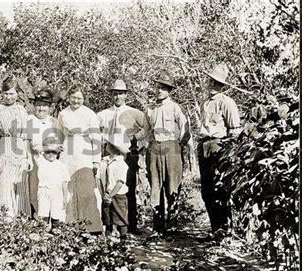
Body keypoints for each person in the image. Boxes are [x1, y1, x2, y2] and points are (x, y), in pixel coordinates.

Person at [135, 71, 189, 235]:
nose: (159, 91)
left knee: (172, 187)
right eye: (157, 87)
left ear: (169, 90)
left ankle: (172, 225)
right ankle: (158, 227)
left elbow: (186, 129)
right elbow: (144, 131)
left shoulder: (175, 107)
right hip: (154, 148)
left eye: (163, 88)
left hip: (171, 147)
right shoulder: (150, 109)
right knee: (155, 187)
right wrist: (130, 139)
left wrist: (179, 145)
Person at [198, 63, 241, 240]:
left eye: (217, 83)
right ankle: (215, 229)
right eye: (211, 81)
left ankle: (225, 230)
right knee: (206, 190)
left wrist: (229, 154)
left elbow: (234, 130)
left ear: (222, 86)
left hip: (219, 146)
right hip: (204, 146)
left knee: (220, 188)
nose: (213, 85)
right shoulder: (205, 103)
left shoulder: (227, 103)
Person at [98, 79, 145, 234]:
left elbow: (148, 127)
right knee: (109, 188)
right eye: (115, 94)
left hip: (128, 153)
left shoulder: (134, 113)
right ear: (111, 95)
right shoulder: (103, 114)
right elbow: (93, 130)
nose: (118, 97)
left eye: (121, 94)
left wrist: (135, 138)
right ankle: (110, 226)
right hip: (109, 155)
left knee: (128, 188)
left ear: (126, 95)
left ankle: (130, 225)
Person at [58, 84, 102, 233]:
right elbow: (59, 133)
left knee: (85, 188)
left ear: (84, 99)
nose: (76, 101)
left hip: (84, 151)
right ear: (68, 98)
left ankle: (90, 226)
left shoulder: (90, 114)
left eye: (79, 98)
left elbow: (96, 138)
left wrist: (96, 160)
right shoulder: (63, 113)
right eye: (73, 98)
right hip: (67, 152)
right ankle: (69, 224)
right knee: (68, 187)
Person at [0, 77, 32, 219]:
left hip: (20, 150)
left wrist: (29, 156)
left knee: (19, 186)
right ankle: (4, 222)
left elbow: (26, 136)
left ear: (17, 94)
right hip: (4, 148)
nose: (8, 97)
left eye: (12, 93)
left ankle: (21, 221)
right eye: (6, 93)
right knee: (4, 186)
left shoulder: (22, 110)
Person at [27, 89, 60, 218]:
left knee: (51, 192)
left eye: (45, 105)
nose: (41, 108)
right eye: (38, 105)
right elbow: (28, 143)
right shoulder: (29, 120)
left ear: (50, 107)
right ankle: (35, 222)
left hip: (51, 161)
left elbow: (59, 143)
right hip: (35, 160)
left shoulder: (55, 122)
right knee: (35, 191)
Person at [100, 134, 130, 242]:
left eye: (108, 144)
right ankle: (108, 241)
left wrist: (111, 195)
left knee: (121, 218)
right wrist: (106, 194)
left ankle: (123, 241)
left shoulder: (121, 163)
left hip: (118, 194)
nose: (106, 146)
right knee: (108, 218)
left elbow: (120, 182)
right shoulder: (108, 161)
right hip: (108, 193)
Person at [36, 137, 70, 229]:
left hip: (57, 193)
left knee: (56, 215)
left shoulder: (61, 165)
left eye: (54, 152)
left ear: (58, 152)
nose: (51, 154)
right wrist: (46, 147)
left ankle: (56, 236)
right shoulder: (41, 161)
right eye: (48, 152)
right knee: (43, 215)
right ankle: (43, 236)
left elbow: (64, 182)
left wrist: (65, 197)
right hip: (44, 191)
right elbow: (36, 149)